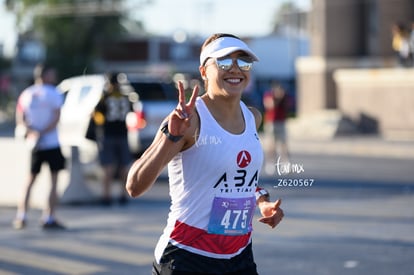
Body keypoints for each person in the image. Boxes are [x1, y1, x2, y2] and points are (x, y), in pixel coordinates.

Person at [126, 33, 284, 275]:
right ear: (203, 71)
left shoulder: (253, 116)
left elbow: (239, 176)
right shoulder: (189, 120)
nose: (235, 69)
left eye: (243, 62)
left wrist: (262, 201)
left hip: (239, 256)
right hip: (187, 256)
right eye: (223, 62)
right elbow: (134, 186)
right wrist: (172, 136)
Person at [13, 64, 66, 230]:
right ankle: (48, 216)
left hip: (34, 143)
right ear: (46, 75)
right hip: (51, 143)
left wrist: (33, 132)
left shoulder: (26, 94)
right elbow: (56, 117)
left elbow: (20, 118)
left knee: (30, 180)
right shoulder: (53, 93)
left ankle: (21, 215)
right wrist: (43, 132)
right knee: (54, 181)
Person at [93, 72, 133, 206]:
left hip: (108, 134)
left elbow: (97, 116)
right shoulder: (125, 97)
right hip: (122, 134)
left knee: (108, 167)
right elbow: (130, 111)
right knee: (124, 166)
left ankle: (107, 195)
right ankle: (124, 195)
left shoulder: (105, 97)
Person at [262, 83, 290, 174]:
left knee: (283, 144)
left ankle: (285, 163)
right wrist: (277, 98)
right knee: (271, 144)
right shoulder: (269, 95)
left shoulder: (285, 97)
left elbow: (289, 106)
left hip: (281, 122)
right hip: (271, 122)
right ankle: (270, 163)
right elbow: (270, 105)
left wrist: (282, 98)